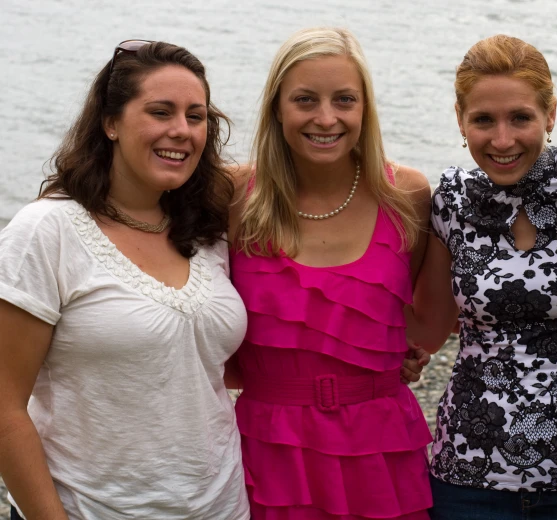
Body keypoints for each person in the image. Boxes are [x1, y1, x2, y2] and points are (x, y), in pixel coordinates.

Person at [0, 41, 251, 519]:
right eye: (160, 111)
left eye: (195, 117)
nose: (181, 131)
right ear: (110, 122)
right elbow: (4, 409)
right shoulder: (47, 232)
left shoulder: (209, 230)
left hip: (223, 506)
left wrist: (387, 353)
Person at [408, 35, 557, 518]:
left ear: (550, 114)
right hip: (468, 471)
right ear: (460, 120)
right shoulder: (451, 198)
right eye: (483, 119)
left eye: (521, 118)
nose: (502, 140)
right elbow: (425, 328)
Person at [228, 27, 434, 519]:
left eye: (344, 100)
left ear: (365, 108)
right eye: (305, 100)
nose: (326, 118)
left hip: (382, 445)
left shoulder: (407, 195)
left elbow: (404, 314)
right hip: (267, 445)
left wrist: (402, 352)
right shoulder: (234, 195)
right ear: (277, 108)